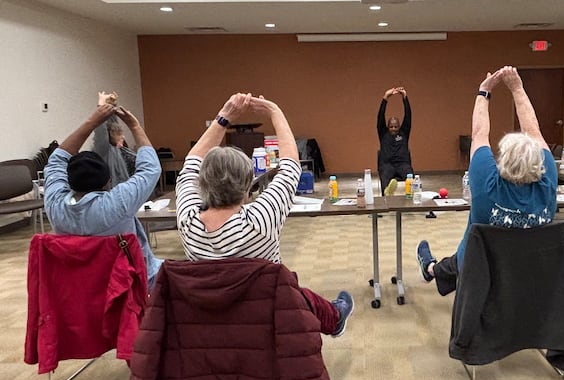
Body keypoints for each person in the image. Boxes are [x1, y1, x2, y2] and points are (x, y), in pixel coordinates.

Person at [175, 93, 353, 337]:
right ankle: (334, 318)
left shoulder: (188, 221)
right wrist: (275, 111)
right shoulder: (260, 221)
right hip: (266, 317)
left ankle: (333, 315)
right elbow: (291, 167)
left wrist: (224, 117)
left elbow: (191, 162)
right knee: (292, 289)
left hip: (212, 320)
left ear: (202, 183)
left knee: (297, 292)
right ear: (249, 186)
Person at [416, 66, 558, 296]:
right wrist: (517, 88)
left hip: (482, 270)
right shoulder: (547, 185)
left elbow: (480, 133)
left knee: (471, 249)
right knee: (477, 249)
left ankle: (431, 268)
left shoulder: (486, 188)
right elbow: (534, 131)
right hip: (532, 274)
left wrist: (484, 92)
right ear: (539, 164)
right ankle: (432, 268)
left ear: (502, 160)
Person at [44, 103, 163, 290]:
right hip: (130, 284)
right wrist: (134, 125)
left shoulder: (56, 207)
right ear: (108, 182)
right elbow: (151, 168)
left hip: (82, 288)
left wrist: (92, 121)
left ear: (67, 182)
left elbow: (57, 159)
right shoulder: (118, 203)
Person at [92, 92, 138, 186]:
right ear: (112, 135)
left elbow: (113, 123)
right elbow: (101, 130)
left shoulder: (118, 150)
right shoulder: (104, 149)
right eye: (119, 134)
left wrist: (111, 105)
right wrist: (101, 104)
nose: (123, 137)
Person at [377, 86, 414, 195]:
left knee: (410, 177)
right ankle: (387, 197)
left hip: (403, 164)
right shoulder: (383, 133)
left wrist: (405, 97)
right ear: (388, 127)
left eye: (395, 126)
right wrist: (385, 98)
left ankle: (411, 196)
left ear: (399, 127)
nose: (393, 128)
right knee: (385, 178)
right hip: (387, 165)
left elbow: (408, 116)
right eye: (391, 127)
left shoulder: (404, 133)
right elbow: (380, 117)